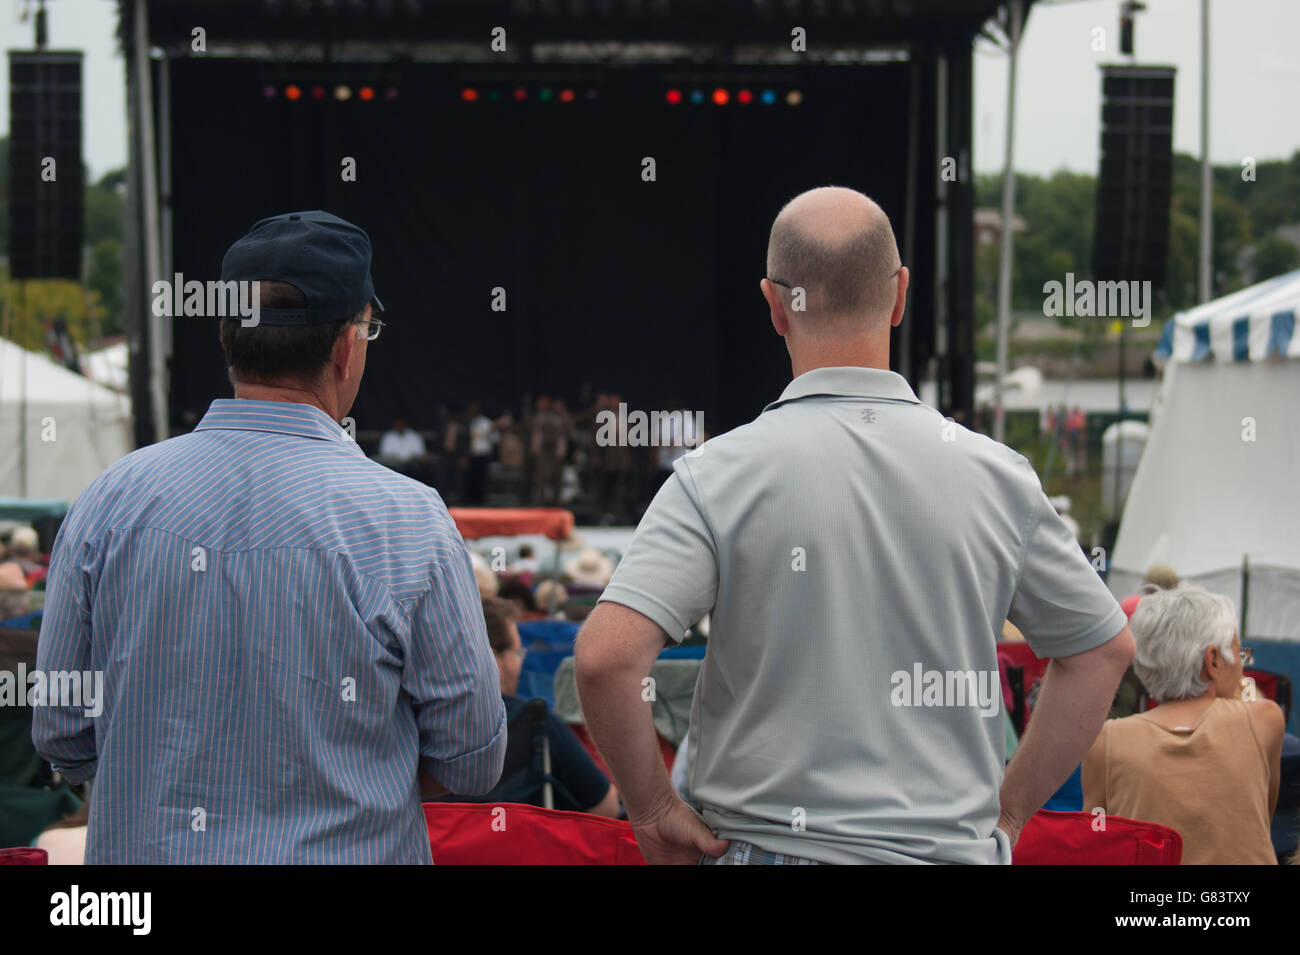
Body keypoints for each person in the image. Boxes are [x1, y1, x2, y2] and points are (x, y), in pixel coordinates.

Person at [574, 186, 1134, 865]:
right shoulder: (998, 476)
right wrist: (1007, 813)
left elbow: (605, 660)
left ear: (776, 307)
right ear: (900, 295)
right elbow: (1102, 650)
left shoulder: (715, 475)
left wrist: (655, 808)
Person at [33, 210, 506, 863]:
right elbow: (473, 758)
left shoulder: (108, 501)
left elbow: (61, 734)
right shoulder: (410, 521)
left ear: (230, 339)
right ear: (347, 345)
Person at [1082, 584, 1284, 864]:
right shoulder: (1265, 720)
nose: (1241, 665)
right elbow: (1261, 815)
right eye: (1238, 652)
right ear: (1213, 660)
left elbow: (1095, 839)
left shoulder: (1104, 741)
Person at [481, 597, 619, 816]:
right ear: (493, 660)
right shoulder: (536, 721)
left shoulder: (422, 720)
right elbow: (606, 806)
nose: (520, 662)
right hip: (520, 847)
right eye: (517, 653)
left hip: (437, 848)